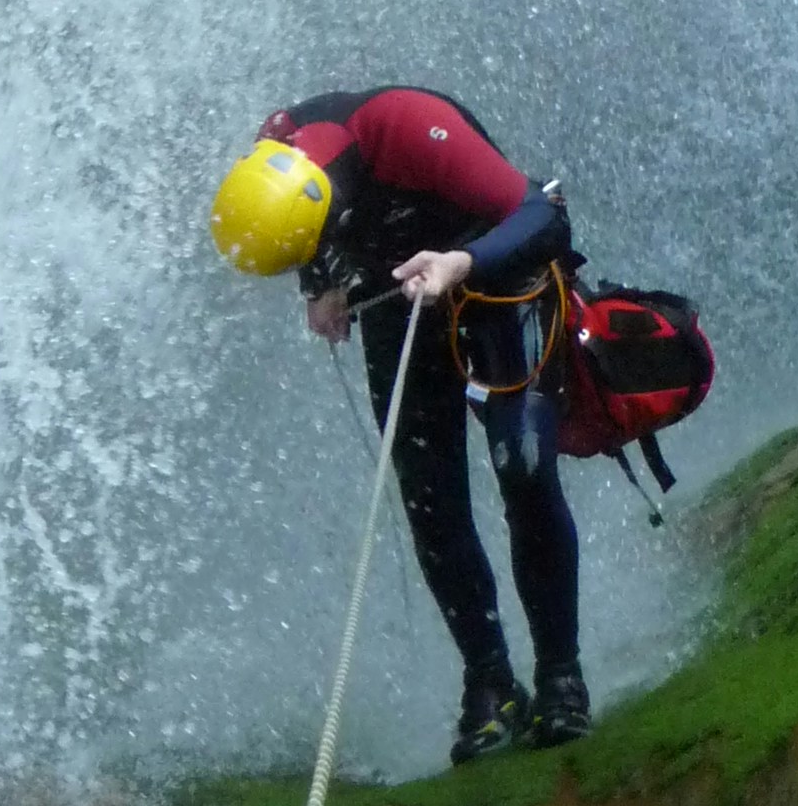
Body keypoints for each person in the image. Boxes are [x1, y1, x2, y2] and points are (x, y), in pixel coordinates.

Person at [210, 86, 589, 762]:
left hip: (495, 271)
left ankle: (560, 673)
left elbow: (541, 213)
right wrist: (321, 284)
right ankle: (490, 682)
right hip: (400, 290)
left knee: (522, 466)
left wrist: (458, 263)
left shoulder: (407, 129)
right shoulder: (278, 161)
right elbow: (304, 240)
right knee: (428, 495)